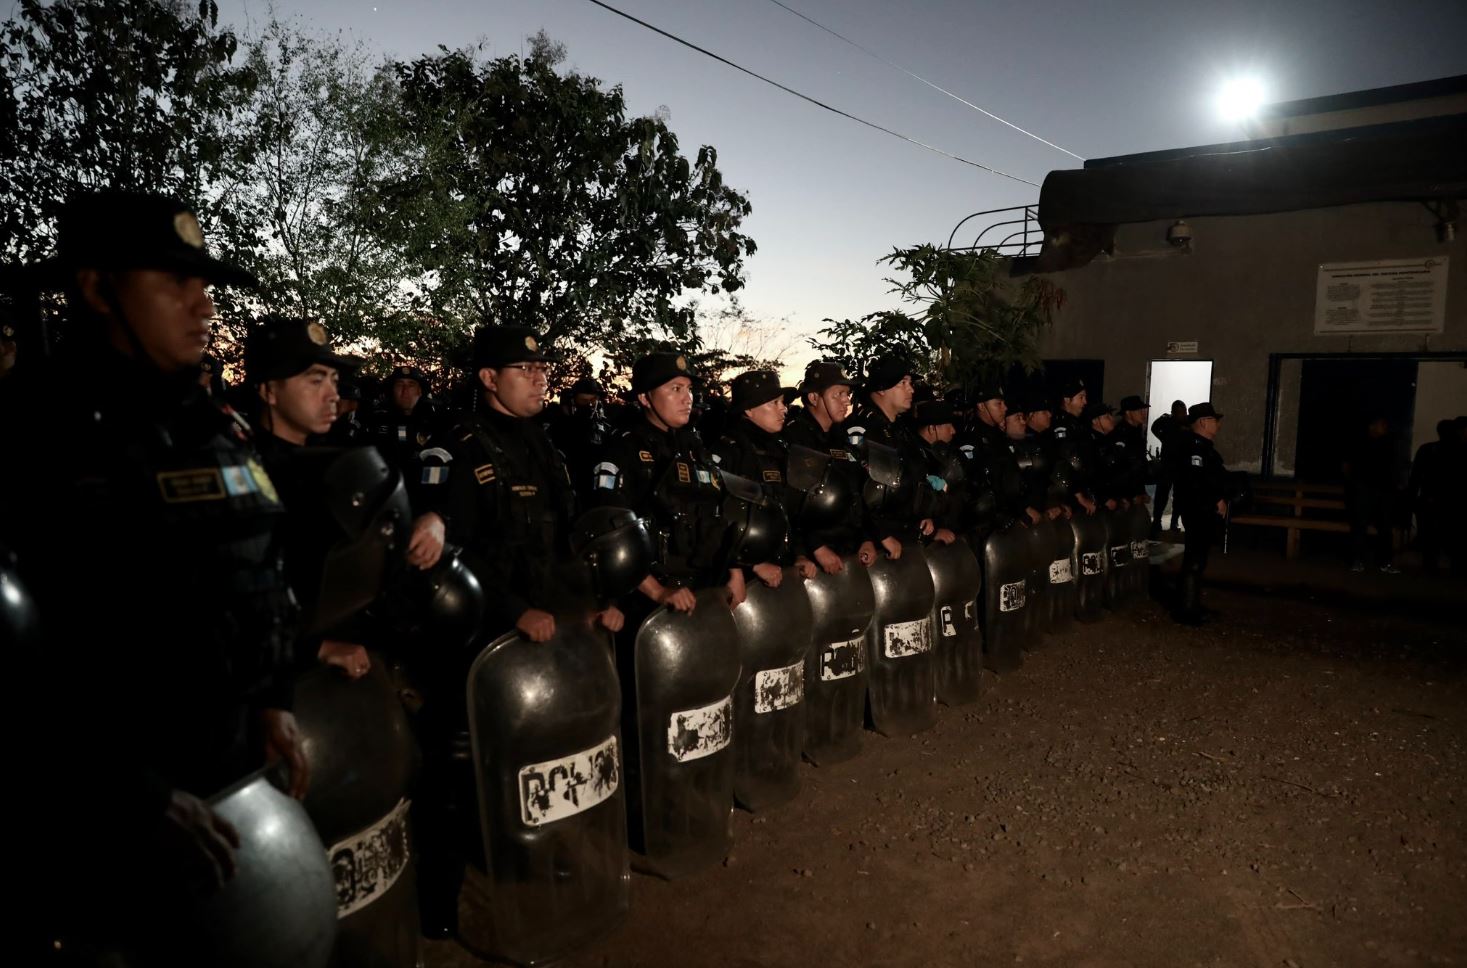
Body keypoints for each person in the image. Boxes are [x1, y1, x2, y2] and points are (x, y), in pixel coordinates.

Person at [0, 191, 308, 955]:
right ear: (98, 289)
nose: (202, 304)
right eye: (173, 282)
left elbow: (258, 563)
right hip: (98, 815)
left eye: (203, 284)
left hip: (228, 774)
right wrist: (128, 798)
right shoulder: (28, 434)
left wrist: (272, 698)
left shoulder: (211, 425)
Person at [592, 350, 745, 612]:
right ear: (644, 397)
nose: (688, 398)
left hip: (704, 587)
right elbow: (607, 532)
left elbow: (719, 510)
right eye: (675, 389)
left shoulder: (693, 446)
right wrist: (658, 591)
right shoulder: (624, 449)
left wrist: (734, 571)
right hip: (648, 598)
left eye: (688, 388)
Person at [713, 370, 818, 584]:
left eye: (783, 402)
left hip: (782, 568)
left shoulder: (780, 448)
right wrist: (746, 567)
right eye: (774, 403)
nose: (783, 408)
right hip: (745, 575)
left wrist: (798, 554)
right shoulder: (730, 451)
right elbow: (719, 520)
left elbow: (790, 510)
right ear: (749, 409)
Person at [782, 360, 879, 571]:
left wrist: (866, 538)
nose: (846, 401)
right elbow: (790, 505)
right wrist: (815, 547)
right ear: (814, 397)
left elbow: (856, 494)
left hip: (848, 550)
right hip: (812, 559)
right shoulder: (794, 438)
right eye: (838, 394)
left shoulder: (842, 437)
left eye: (847, 394)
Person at [1171, 402, 1232, 624]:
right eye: (1214, 420)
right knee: (1194, 560)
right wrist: (1215, 499)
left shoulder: (1203, 447)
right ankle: (1187, 610)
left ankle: (1192, 604)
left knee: (1199, 559)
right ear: (1203, 422)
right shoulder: (1194, 447)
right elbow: (1196, 481)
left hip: (1203, 509)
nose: (1218, 425)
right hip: (1198, 509)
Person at [1343, 415, 1402, 573]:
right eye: (1381, 425)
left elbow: (1394, 467)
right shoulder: (1360, 443)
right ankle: (1357, 560)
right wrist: (1354, 485)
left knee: (1385, 528)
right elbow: (1347, 466)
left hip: (1384, 491)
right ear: (1372, 426)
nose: (1385, 428)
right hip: (1363, 490)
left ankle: (1385, 561)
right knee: (1359, 525)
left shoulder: (1389, 443)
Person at [1151, 399, 1187, 535]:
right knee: (1162, 494)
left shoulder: (1186, 423)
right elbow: (1154, 427)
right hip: (1167, 464)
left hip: (1181, 465)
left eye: (1185, 411)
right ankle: (1157, 522)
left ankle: (1174, 522)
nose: (1184, 414)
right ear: (1173, 412)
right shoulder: (1166, 421)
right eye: (1180, 412)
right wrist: (1163, 437)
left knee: (1179, 496)